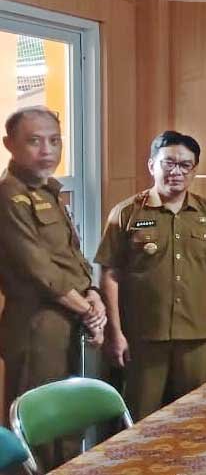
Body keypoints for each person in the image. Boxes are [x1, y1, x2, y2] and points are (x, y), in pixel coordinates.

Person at [95, 131, 206, 420]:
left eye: (185, 165)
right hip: (144, 336)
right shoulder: (126, 214)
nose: (176, 171)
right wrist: (115, 332)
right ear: (152, 165)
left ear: (194, 169)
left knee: (196, 418)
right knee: (141, 418)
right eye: (168, 163)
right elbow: (110, 274)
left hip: (199, 336)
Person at [0, 106, 105, 468]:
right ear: (9, 144)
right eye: (34, 141)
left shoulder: (48, 191)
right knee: (39, 427)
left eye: (54, 140)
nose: (47, 150)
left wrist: (93, 294)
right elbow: (39, 270)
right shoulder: (8, 196)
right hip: (36, 326)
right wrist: (89, 310)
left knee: (69, 422)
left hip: (68, 319)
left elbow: (72, 257)